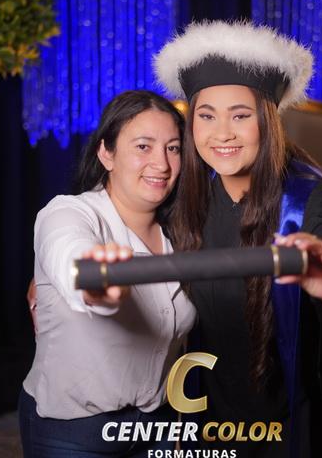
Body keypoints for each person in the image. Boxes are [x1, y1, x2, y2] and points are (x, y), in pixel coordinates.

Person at [154, 20, 322, 458]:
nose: (222, 133)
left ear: (267, 120)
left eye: (240, 115)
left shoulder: (310, 201)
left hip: (296, 423)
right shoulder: (186, 200)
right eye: (207, 116)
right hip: (214, 416)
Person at [19, 90, 196, 458]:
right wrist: (93, 283)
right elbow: (69, 253)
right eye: (143, 146)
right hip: (74, 432)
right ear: (106, 153)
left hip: (159, 425)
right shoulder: (68, 213)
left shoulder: (185, 235)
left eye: (173, 148)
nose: (162, 164)